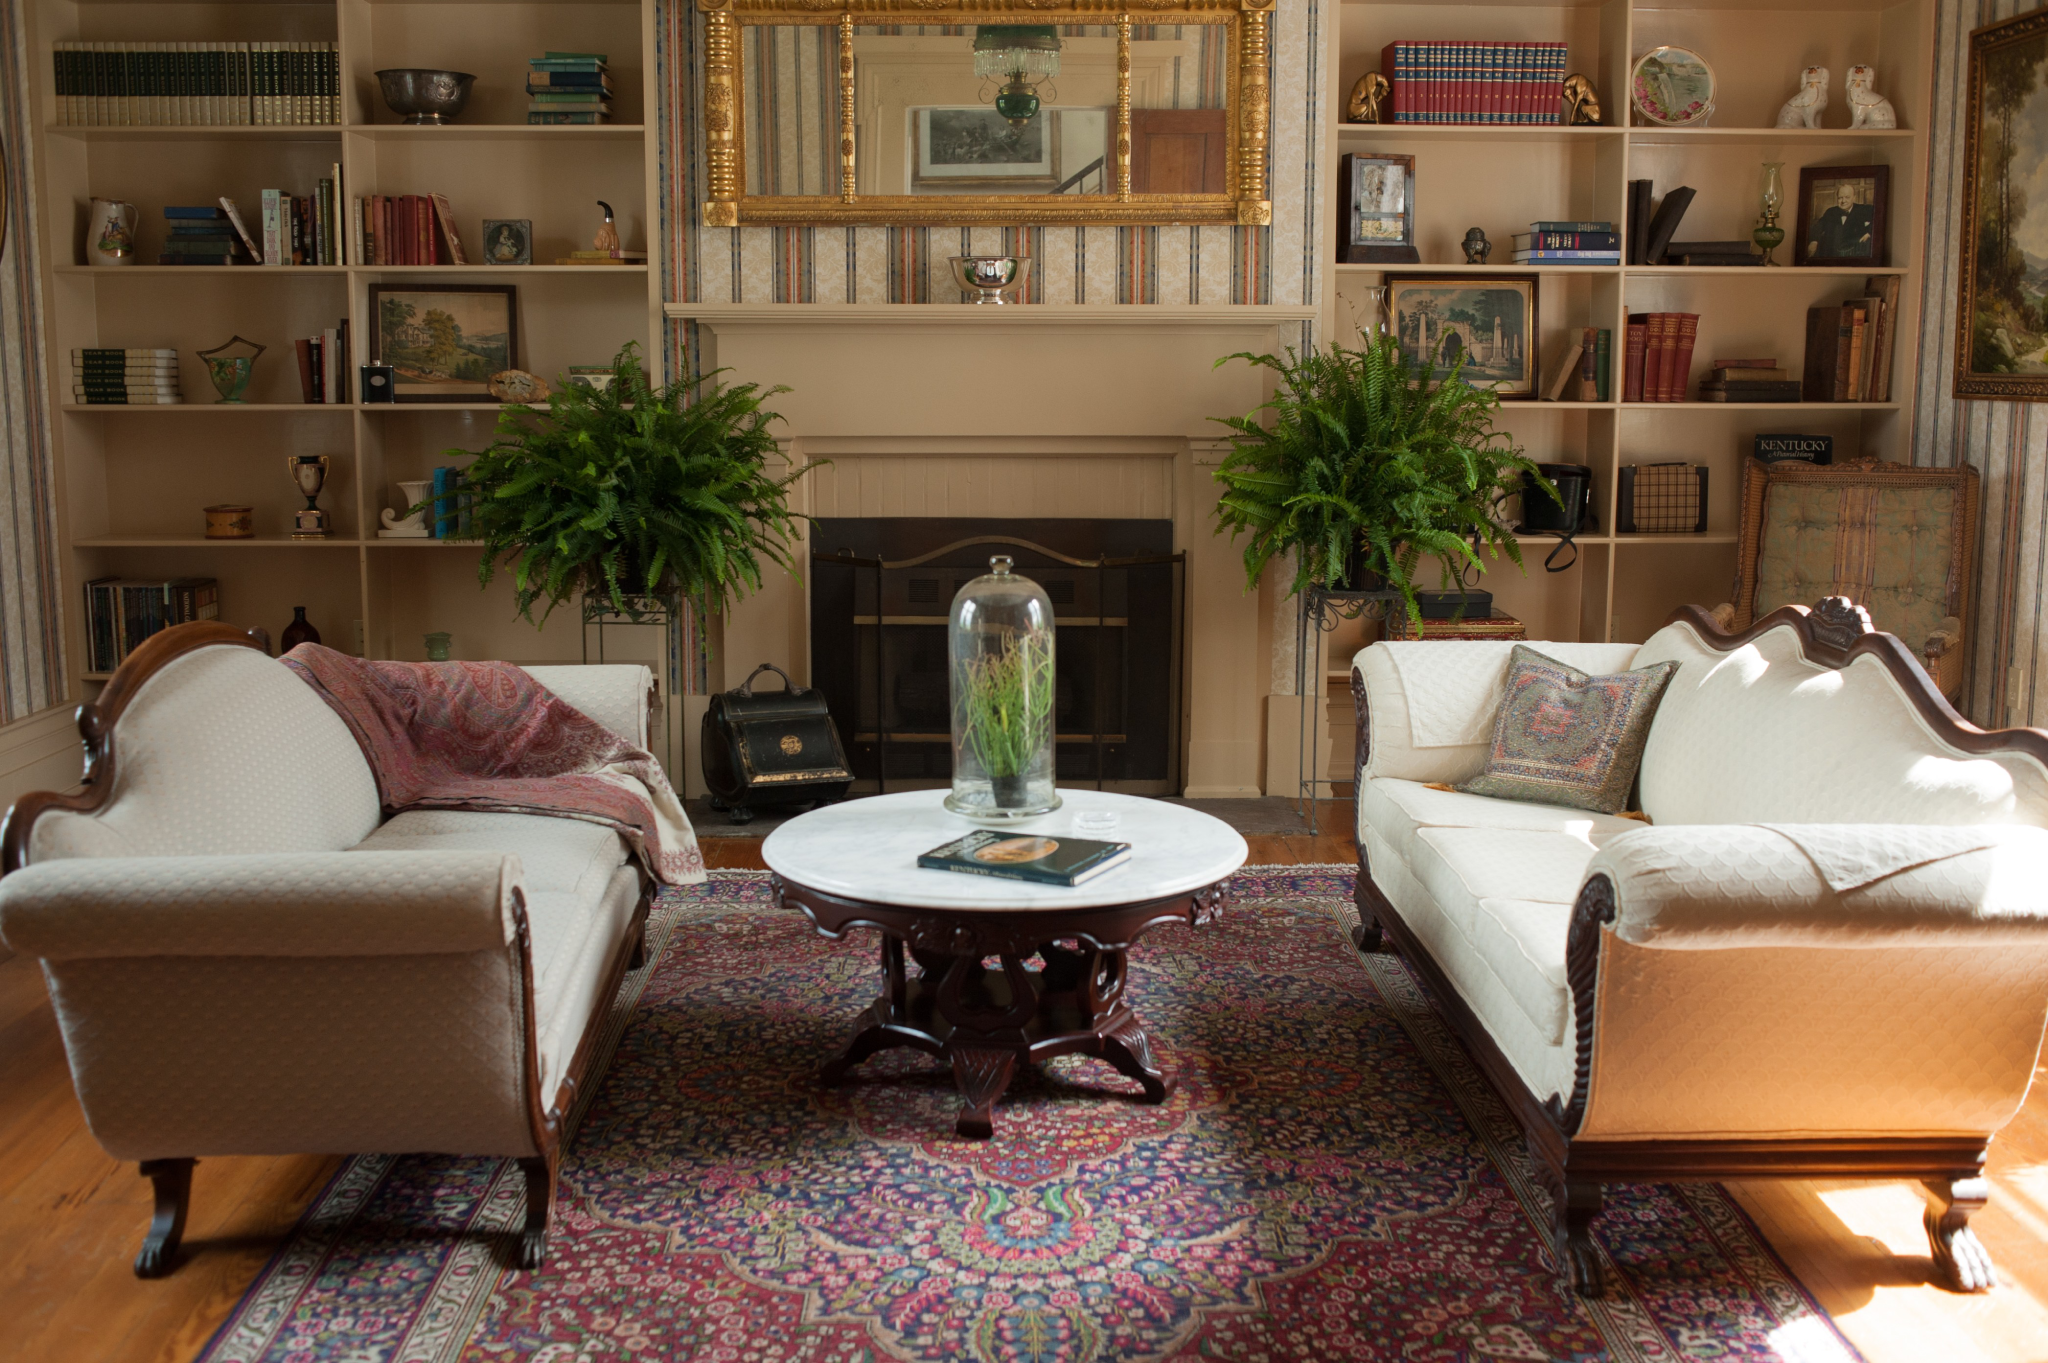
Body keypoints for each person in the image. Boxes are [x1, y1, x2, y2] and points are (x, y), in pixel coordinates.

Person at [1808, 181, 1874, 259]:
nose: (1843, 201)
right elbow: (1818, 226)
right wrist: (1814, 241)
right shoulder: (1831, 212)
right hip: (1832, 255)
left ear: (1854, 198)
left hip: (1855, 255)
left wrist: (1869, 232)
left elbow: (1879, 220)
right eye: (1840, 198)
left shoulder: (1864, 210)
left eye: (1847, 197)